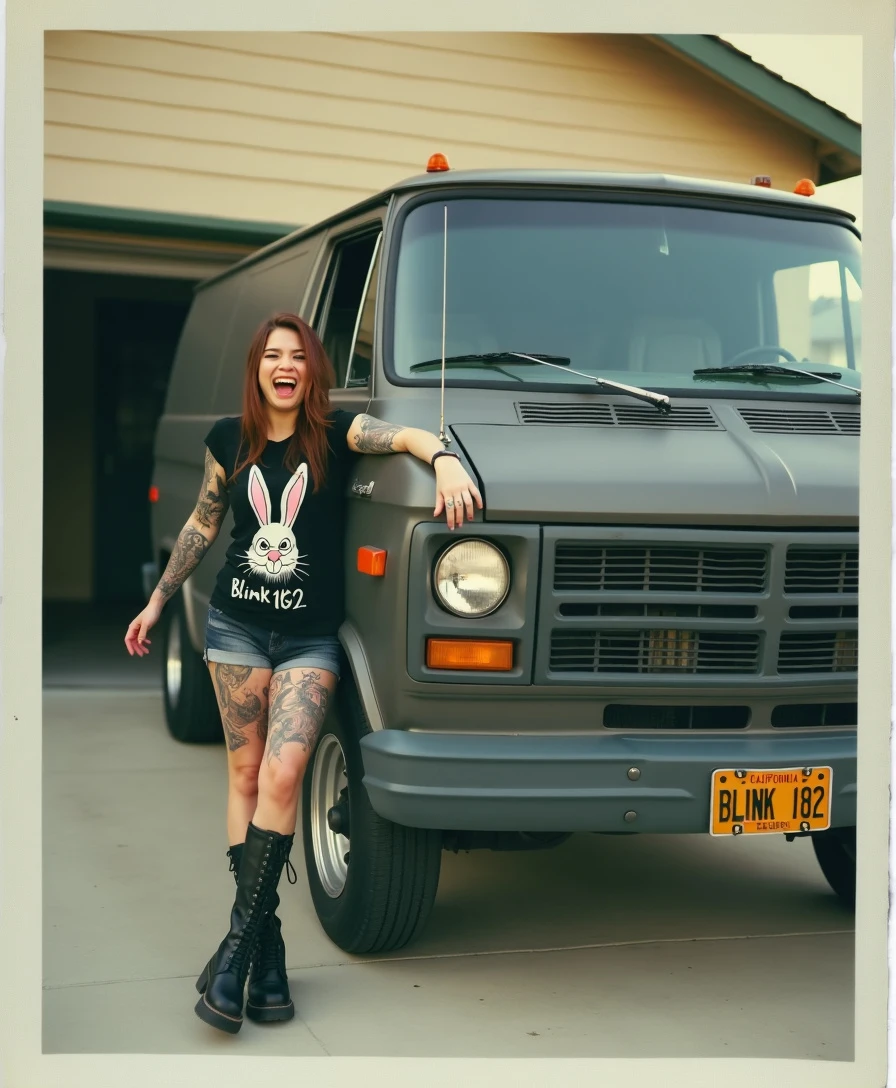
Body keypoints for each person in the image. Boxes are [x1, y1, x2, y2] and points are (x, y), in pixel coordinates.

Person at [124, 311, 482, 1034]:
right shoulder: (228, 438)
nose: (284, 366)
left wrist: (444, 458)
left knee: (284, 776)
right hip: (234, 629)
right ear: (256, 368)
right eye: (272, 355)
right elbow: (202, 522)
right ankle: (268, 949)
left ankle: (235, 951)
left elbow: (405, 437)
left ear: (312, 370)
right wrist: (158, 600)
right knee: (245, 777)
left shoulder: (336, 434)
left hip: (309, 641)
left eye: (297, 356)